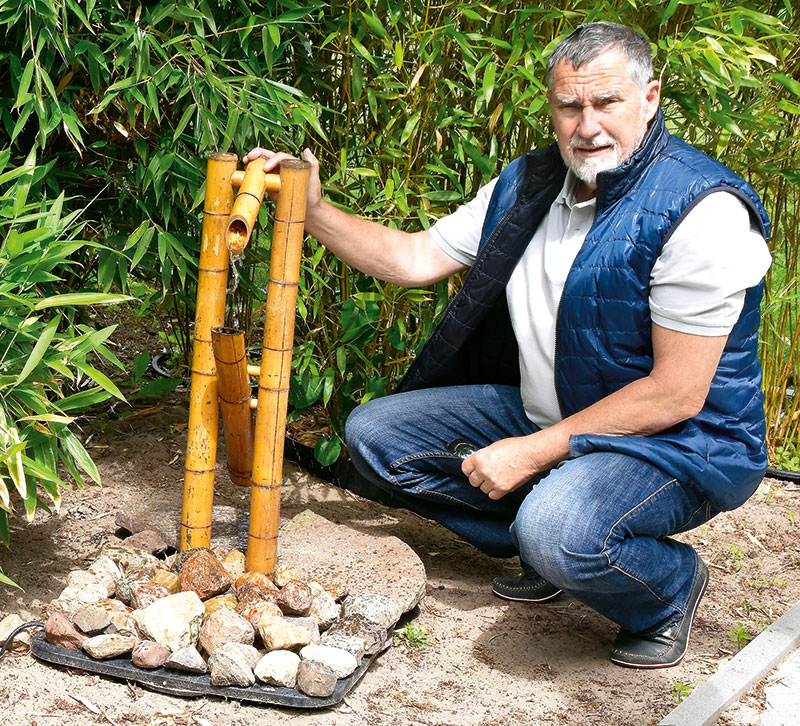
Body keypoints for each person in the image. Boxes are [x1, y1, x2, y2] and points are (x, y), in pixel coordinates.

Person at [244, 21, 771, 669]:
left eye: (606, 102)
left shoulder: (702, 210)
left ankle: (664, 587)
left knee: (555, 531)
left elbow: (677, 392)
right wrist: (315, 209)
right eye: (569, 105)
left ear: (650, 97)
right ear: (551, 105)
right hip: (551, 407)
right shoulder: (528, 183)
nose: (587, 126)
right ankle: (551, 531)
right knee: (377, 435)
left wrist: (534, 452)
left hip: (679, 442)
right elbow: (412, 257)